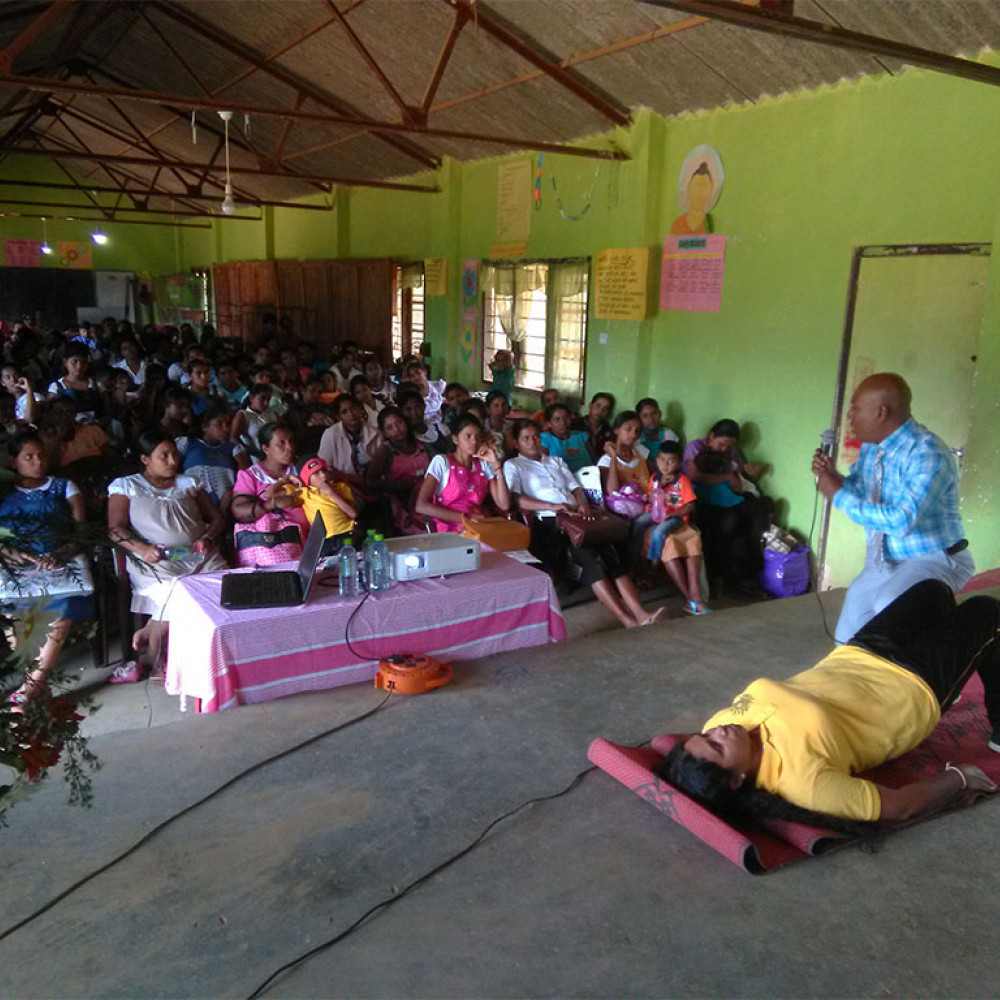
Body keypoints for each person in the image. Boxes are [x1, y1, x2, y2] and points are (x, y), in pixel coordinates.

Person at [658, 581, 1000, 831]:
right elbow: (900, 807)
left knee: (934, 593)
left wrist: (713, 741)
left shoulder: (723, 723)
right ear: (737, 780)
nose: (717, 731)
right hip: (912, 689)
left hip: (860, 655)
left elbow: (715, 734)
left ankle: (963, 660)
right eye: (717, 746)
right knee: (987, 611)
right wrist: (958, 779)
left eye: (706, 735)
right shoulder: (802, 781)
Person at [813, 372, 974, 644]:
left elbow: (901, 521)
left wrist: (836, 494)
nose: (849, 417)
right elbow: (863, 491)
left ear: (881, 413)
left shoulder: (928, 453)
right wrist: (834, 478)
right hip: (886, 559)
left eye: (855, 409)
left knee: (889, 606)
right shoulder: (872, 448)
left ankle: (933, 672)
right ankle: (855, 679)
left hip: (934, 557)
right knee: (847, 636)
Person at [504, 419, 665, 629]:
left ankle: (640, 613)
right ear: (516, 443)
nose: (532, 441)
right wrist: (552, 506)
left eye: (535, 436)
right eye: (526, 438)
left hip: (577, 517)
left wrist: (582, 505)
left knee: (611, 549)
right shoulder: (514, 465)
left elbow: (575, 487)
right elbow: (517, 500)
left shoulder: (555, 461)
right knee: (589, 558)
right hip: (551, 524)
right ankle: (627, 620)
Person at [108, 429, 227, 680]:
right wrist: (142, 549)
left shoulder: (189, 483)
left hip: (196, 555)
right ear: (145, 459)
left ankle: (211, 656)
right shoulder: (127, 486)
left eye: (174, 454)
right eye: (164, 456)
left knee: (226, 591)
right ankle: (158, 663)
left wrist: (207, 537)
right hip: (156, 560)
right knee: (176, 603)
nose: (173, 461)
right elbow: (114, 529)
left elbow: (216, 518)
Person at [0, 432, 94, 705]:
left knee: (62, 607)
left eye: (41, 455)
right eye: (28, 457)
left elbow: (81, 532)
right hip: (17, 567)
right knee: (14, 612)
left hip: (60, 562)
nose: (38, 461)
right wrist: (7, 551)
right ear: (13, 461)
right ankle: (36, 688)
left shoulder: (64, 487)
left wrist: (62, 553)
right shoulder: (4, 492)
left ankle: (28, 691)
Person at [685, 418, 771, 594]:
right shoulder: (696, 447)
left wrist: (749, 470)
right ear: (711, 436)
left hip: (730, 497)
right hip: (702, 500)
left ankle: (750, 574)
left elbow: (739, 471)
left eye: (729, 446)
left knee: (762, 508)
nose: (725, 449)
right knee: (729, 521)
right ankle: (719, 575)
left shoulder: (732, 451)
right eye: (722, 444)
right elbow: (695, 476)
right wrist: (727, 478)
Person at [414, 414, 510, 533]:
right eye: (468, 436)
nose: (474, 441)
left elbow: (504, 504)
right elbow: (421, 505)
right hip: (449, 530)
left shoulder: (483, 465)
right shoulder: (442, 462)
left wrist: (496, 465)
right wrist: (466, 518)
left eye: (477, 436)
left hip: (477, 527)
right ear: (455, 439)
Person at [230, 422, 309, 566]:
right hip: (270, 550)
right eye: (281, 443)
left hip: (308, 545)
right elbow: (238, 511)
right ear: (266, 448)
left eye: (291, 442)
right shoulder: (251, 476)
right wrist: (272, 503)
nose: (289, 448)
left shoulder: (300, 470)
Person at [646, 441, 709, 615]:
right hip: (656, 516)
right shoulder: (654, 478)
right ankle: (692, 600)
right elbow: (650, 498)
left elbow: (690, 506)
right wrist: (651, 499)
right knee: (638, 526)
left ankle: (654, 561)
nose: (666, 465)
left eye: (671, 461)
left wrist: (671, 515)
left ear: (679, 463)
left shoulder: (683, 480)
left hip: (675, 518)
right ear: (656, 460)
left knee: (685, 537)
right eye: (662, 460)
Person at [364, 405, 431, 535]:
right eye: (390, 427)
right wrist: (402, 485)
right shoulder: (385, 452)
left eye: (399, 422)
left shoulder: (422, 445)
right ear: (384, 433)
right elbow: (371, 482)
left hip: (427, 497)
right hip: (402, 503)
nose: (397, 429)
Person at [182, 400, 249, 509]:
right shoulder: (187, 444)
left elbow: (244, 476)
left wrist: (232, 494)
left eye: (228, 424)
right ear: (205, 427)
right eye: (219, 424)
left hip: (227, 504)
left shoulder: (234, 449)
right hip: (192, 502)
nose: (226, 429)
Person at [317, 395, 381, 492]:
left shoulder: (375, 433)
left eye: (353, 408)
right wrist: (350, 479)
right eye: (344, 412)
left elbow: (380, 466)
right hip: (342, 485)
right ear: (338, 416)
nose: (351, 414)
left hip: (371, 485)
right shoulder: (330, 434)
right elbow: (324, 468)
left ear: (360, 409)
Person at [295, 457, 356, 555]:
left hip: (345, 533)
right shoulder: (305, 494)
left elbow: (352, 514)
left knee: (347, 561)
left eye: (323, 470)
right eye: (316, 473)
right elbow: (269, 495)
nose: (322, 475)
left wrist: (331, 493)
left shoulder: (341, 487)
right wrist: (287, 478)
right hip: (322, 539)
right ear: (307, 480)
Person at [46, 342, 103, 422]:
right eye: (74, 362)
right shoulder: (56, 387)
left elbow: (106, 413)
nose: (79, 367)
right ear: (65, 362)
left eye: (83, 362)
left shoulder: (96, 384)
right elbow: (50, 415)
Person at [540, 403, 591, 473]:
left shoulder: (580, 436)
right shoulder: (545, 439)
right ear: (549, 423)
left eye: (566, 418)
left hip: (590, 477)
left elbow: (593, 460)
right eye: (557, 419)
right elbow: (541, 465)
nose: (563, 423)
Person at [575, 391, 615, 462]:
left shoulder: (607, 429)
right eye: (598, 405)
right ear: (590, 405)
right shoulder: (576, 424)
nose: (600, 410)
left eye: (605, 409)